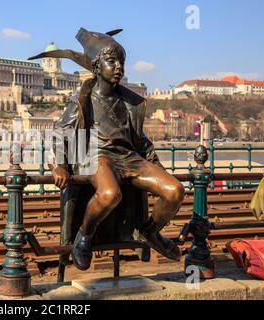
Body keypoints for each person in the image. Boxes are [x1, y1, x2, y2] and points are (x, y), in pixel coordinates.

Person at [29, 28, 185, 270]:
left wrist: (157, 165)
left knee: (175, 190)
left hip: (129, 157)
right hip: (96, 155)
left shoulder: (129, 101)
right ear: (96, 66)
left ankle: (150, 232)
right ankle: (85, 235)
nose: (119, 67)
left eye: (121, 62)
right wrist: (57, 165)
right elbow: (60, 132)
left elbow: (140, 139)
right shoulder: (83, 98)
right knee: (110, 194)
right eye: (112, 61)